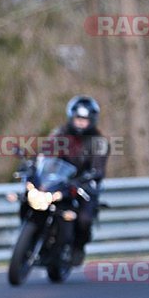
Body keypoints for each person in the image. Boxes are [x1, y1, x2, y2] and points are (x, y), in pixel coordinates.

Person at [49, 95, 110, 266]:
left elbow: (99, 168)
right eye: (78, 119)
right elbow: (46, 152)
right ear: (71, 117)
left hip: (85, 185)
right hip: (61, 182)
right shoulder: (60, 134)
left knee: (84, 219)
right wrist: (35, 163)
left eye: (85, 119)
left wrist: (91, 175)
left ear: (91, 120)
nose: (81, 123)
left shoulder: (99, 142)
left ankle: (78, 246)